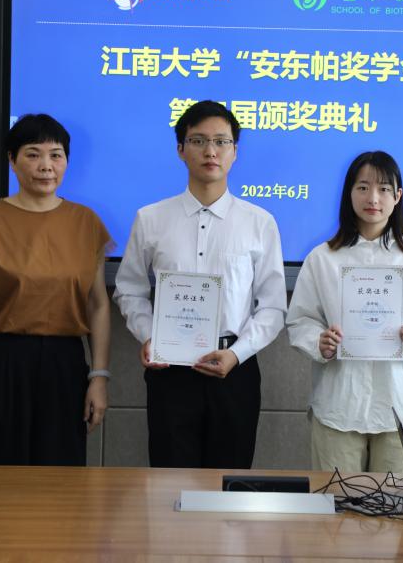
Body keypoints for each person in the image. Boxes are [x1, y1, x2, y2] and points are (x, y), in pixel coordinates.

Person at [113, 100, 286, 469]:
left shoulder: (260, 222)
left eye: (221, 141)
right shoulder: (150, 218)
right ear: (181, 149)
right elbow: (129, 290)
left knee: (230, 484)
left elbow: (272, 306)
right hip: (170, 371)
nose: (211, 151)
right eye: (199, 141)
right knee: (169, 483)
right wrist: (150, 335)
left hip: (235, 368)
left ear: (235, 151)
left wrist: (237, 354)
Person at [0, 113, 112, 466]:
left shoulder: (86, 222)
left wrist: (98, 377)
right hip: (1, 365)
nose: (45, 166)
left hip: (65, 366)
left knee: (58, 479)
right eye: (33, 154)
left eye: (56, 155)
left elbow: (98, 305)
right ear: (12, 160)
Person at [286, 151, 403, 474]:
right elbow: (301, 319)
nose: (373, 198)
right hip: (339, 404)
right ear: (349, 193)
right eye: (362, 187)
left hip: (401, 402)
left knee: (401, 503)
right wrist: (319, 342)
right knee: (337, 502)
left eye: (384, 189)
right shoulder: (322, 258)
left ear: (397, 196)